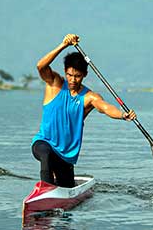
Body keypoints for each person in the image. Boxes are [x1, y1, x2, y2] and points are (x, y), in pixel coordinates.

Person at [31, 33, 136, 187]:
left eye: (78, 76)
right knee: (46, 154)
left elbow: (106, 108)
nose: (73, 80)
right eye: (69, 75)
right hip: (43, 143)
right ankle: (45, 190)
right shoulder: (55, 84)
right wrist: (63, 45)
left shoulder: (89, 97)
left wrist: (122, 115)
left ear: (85, 75)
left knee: (66, 185)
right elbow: (41, 66)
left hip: (65, 155)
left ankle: (55, 182)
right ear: (65, 71)